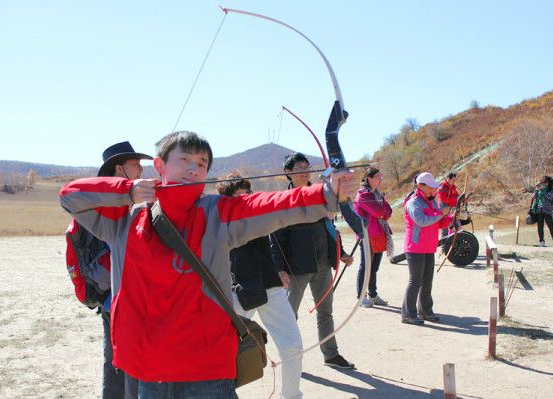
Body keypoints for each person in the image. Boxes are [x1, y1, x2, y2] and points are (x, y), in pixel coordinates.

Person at [59, 130, 356, 398]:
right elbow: (70, 196)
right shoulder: (125, 218)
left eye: (202, 164)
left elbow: (272, 206)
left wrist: (327, 193)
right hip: (148, 366)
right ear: (160, 166)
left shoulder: (217, 213)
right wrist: (126, 191)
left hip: (207, 367)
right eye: (184, 158)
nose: (193, 167)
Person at [65, 141, 152, 399]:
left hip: (128, 299)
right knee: (117, 365)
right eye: (135, 165)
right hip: (112, 300)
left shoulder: (124, 203)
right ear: (119, 169)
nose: (141, 171)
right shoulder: (102, 206)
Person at [216, 174, 303, 399]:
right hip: (238, 289)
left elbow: (279, 227)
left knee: (292, 345)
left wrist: (280, 268)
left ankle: (292, 396)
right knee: (223, 350)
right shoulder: (221, 221)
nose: (246, 200)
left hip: (271, 285)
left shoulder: (259, 212)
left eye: (248, 194)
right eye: (239, 196)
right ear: (227, 201)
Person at [270, 152, 355, 370]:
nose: (305, 170)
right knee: (289, 317)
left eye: (307, 166)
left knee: (325, 312)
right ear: (288, 173)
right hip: (296, 269)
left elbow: (328, 228)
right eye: (299, 167)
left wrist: (341, 253)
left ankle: (331, 354)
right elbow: (276, 239)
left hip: (323, 265)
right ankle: (290, 357)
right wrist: (280, 269)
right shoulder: (283, 201)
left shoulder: (319, 195)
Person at [401, 172, 453, 326]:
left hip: (429, 247)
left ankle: (425, 311)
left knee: (427, 281)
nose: (433, 190)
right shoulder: (413, 202)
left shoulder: (431, 202)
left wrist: (452, 218)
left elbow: (438, 223)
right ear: (420, 186)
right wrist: (440, 214)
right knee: (415, 281)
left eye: (434, 187)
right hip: (415, 247)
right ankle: (407, 314)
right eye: (430, 187)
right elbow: (422, 221)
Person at [353, 167, 392, 308]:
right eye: (377, 177)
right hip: (367, 235)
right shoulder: (363, 195)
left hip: (379, 233)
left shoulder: (378, 194)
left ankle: (373, 294)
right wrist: (382, 212)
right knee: (365, 266)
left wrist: (383, 212)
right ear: (369, 178)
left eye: (381, 177)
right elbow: (378, 211)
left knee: (374, 267)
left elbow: (388, 211)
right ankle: (361, 296)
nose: (380, 179)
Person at [531, 175, 553, 247]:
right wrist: (536, 189)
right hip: (539, 210)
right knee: (540, 227)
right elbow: (534, 197)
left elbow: (550, 197)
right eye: (542, 182)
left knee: (551, 227)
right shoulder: (539, 189)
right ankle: (541, 241)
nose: (543, 184)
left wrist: (542, 190)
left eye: (544, 182)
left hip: (548, 211)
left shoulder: (551, 190)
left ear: (548, 183)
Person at [437, 172, 459, 237]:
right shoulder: (442, 186)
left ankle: (452, 240)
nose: (454, 182)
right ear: (448, 179)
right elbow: (443, 199)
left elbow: (456, 195)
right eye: (453, 180)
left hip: (451, 209)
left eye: (455, 180)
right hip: (444, 208)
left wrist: (462, 199)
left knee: (452, 225)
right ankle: (444, 243)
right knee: (445, 226)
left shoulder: (453, 186)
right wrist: (455, 200)